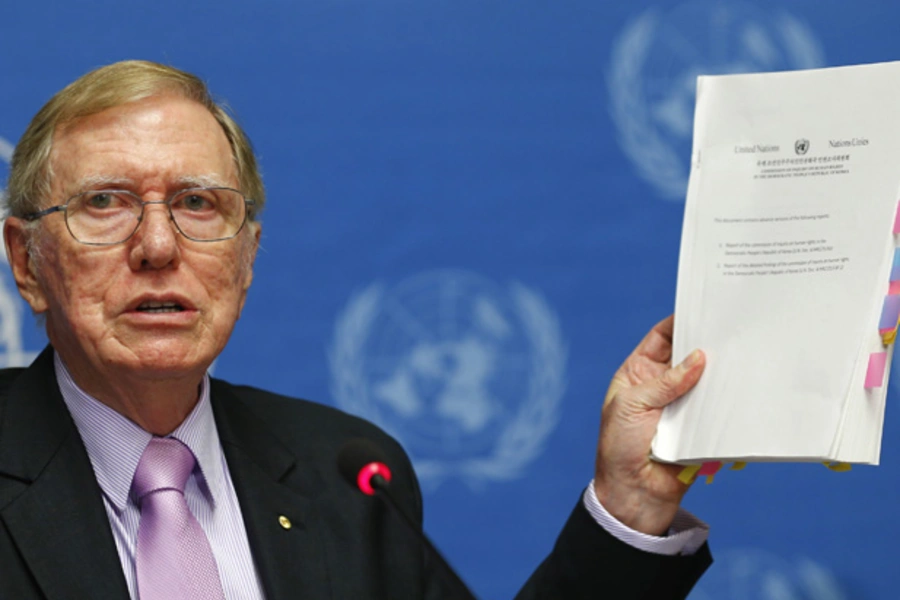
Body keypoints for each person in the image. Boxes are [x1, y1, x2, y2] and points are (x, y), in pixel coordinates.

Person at [0, 60, 711, 599]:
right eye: (104, 203)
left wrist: (631, 504)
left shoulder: (347, 475)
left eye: (196, 203)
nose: (157, 245)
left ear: (246, 258)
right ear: (25, 261)